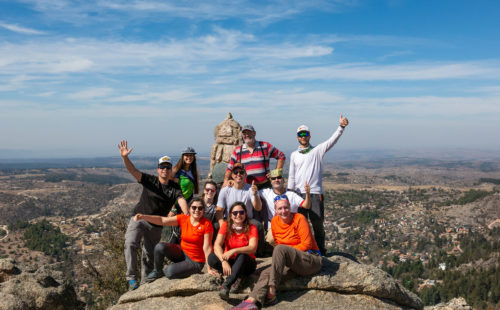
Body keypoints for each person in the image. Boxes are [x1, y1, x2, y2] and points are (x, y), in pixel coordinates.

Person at [117, 140, 188, 290]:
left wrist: (187, 215)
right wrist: (125, 157)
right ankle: (131, 279)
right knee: (130, 243)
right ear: (158, 169)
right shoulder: (150, 181)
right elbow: (133, 171)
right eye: (162, 167)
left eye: (168, 167)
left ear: (170, 170)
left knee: (149, 256)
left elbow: (181, 200)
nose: (165, 170)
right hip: (139, 218)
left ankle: (144, 285)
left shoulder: (174, 188)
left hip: (156, 225)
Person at [232, 195, 322, 309]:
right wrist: (284, 257)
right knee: (265, 273)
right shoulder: (274, 221)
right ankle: (251, 302)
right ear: (275, 210)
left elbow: (307, 244)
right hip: (292, 263)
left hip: (310, 260)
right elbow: (279, 244)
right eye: (280, 208)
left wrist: (287, 253)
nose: (283, 211)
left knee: (280, 249)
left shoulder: (299, 218)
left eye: (286, 207)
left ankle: (272, 289)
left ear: (290, 207)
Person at [287, 115, 349, 255]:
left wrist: (341, 127)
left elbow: (331, 141)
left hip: (314, 193)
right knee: (301, 223)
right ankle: (303, 249)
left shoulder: (317, 151)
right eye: (300, 134)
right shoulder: (294, 155)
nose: (303, 136)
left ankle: (320, 249)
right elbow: (292, 175)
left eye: (305, 134)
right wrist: (289, 193)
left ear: (309, 136)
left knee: (317, 223)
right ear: (297, 137)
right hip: (298, 194)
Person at [135, 197, 218, 282]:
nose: (197, 210)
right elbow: (162, 220)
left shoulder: (206, 224)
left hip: (195, 261)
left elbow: (207, 247)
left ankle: (192, 269)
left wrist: (209, 268)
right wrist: (144, 217)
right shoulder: (184, 218)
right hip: (182, 252)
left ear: (203, 210)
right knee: (160, 247)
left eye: (200, 208)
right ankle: (157, 271)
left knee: (169, 272)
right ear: (189, 209)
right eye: (194, 207)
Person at [208, 201, 258, 300]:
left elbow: (253, 248)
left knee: (242, 255)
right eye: (235, 213)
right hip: (230, 261)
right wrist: (223, 261)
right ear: (231, 215)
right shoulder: (226, 225)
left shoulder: (252, 227)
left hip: (247, 263)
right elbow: (217, 245)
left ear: (245, 214)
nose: (238, 215)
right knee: (211, 258)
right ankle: (238, 276)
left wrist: (234, 250)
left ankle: (226, 285)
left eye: (241, 212)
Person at [216, 163, 264, 256]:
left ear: (245, 175)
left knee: (257, 225)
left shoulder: (251, 189)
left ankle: (257, 252)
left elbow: (258, 207)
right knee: (216, 227)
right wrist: (222, 224)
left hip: (246, 220)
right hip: (230, 220)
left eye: (241, 172)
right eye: (236, 172)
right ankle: (220, 251)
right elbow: (219, 210)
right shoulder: (225, 190)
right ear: (232, 175)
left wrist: (255, 195)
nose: (238, 174)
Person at [259, 168, 310, 247]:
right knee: (270, 239)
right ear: (270, 181)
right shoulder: (266, 193)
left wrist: (307, 193)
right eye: (273, 178)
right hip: (274, 226)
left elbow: (306, 205)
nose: (276, 180)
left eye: (279, 177)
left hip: (291, 226)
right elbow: (251, 192)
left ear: (283, 180)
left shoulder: (291, 195)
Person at [224, 125, 286, 190]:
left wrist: (275, 173)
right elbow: (230, 168)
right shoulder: (238, 151)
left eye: (249, 133)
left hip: (265, 186)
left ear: (254, 133)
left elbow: (281, 156)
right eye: (244, 133)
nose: (247, 135)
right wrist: (226, 181)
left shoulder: (265, 146)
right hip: (246, 187)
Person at [168, 147, 200, 244]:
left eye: (191, 155)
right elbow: (170, 190)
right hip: (177, 206)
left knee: (185, 233)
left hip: (188, 205)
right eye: (187, 155)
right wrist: (172, 208)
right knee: (176, 233)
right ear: (182, 156)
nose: (189, 157)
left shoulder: (193, 171)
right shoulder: (176, 171)